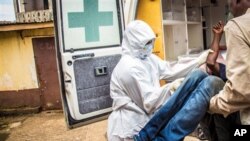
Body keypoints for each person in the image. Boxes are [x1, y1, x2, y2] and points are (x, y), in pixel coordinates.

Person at [107, 20, 224, 141]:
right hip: (131, 128)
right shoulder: (128, 68)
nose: (150, 46)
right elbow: (149, 102)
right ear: (134, 43)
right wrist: (172, 87)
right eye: (146, 43)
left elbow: (171, 70)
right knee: (204, 84)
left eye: (151, 42)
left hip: (148, 125)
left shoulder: (147, 58)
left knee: (198, 75)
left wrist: (198, 61)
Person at [206, 0, 250, 140]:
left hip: (234, 108)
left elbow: (210, 62)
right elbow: (211, 62)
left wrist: (210, 104)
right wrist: (217, 37)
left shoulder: (237, 27)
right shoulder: (230, 67)